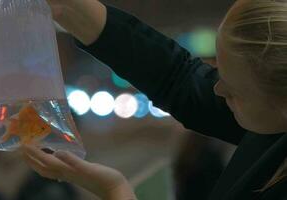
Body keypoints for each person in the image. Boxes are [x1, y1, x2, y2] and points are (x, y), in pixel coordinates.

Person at [22, 0, 287, 199]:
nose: (217, 90)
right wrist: (69, 7)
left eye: (234, 90)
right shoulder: (273, 120)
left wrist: (117, 191)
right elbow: (179, 78)